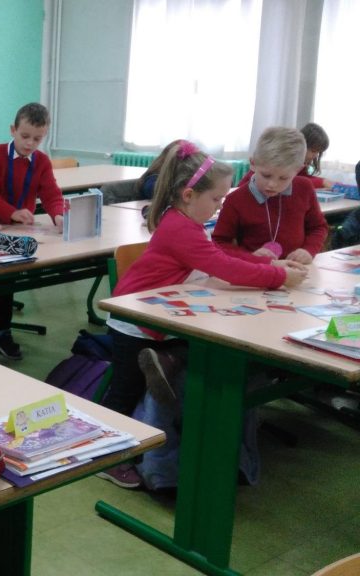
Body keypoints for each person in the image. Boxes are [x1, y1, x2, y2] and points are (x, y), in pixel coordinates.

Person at [95, 140, 307, 490]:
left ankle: (169, 362)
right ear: (189, 195)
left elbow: (218, 258)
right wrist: (277, 276)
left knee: (189, 358)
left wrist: (267, 263)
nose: (220, 206)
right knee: (124, 392)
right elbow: (222, 266)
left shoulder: (186, 221)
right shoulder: (180, 228)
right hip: (133, 319)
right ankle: (106, 458)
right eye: (216, 199)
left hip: (154, 313)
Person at [0, 102, 64, 360]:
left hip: (19, 233)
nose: (30, 143)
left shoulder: (42, 161)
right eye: (25, 136)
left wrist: (58, 214)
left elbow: (51, 194)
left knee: (8, 279)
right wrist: (11, 212)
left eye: (37, 139)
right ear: (13, 130)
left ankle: (1, 332)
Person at [212, 127, 328, 266]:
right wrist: (250, 257)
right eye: (266, 175)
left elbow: (318, 227)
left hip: (297, 269)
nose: (272, 184)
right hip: (256, 270)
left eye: (283, 178)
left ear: (297, 170)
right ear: (253, 164)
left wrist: (308, 250)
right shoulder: (235, 200)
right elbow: (219, 242)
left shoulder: (304, 187)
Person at [236, 122, 334, 190]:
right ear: (303, 145)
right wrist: (321, 182)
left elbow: (301, 178)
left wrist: (325, 181)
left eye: (318, 152)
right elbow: (289, 181)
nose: (315, 155)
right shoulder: (283, 159)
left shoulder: (300, 164)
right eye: (313, 151)